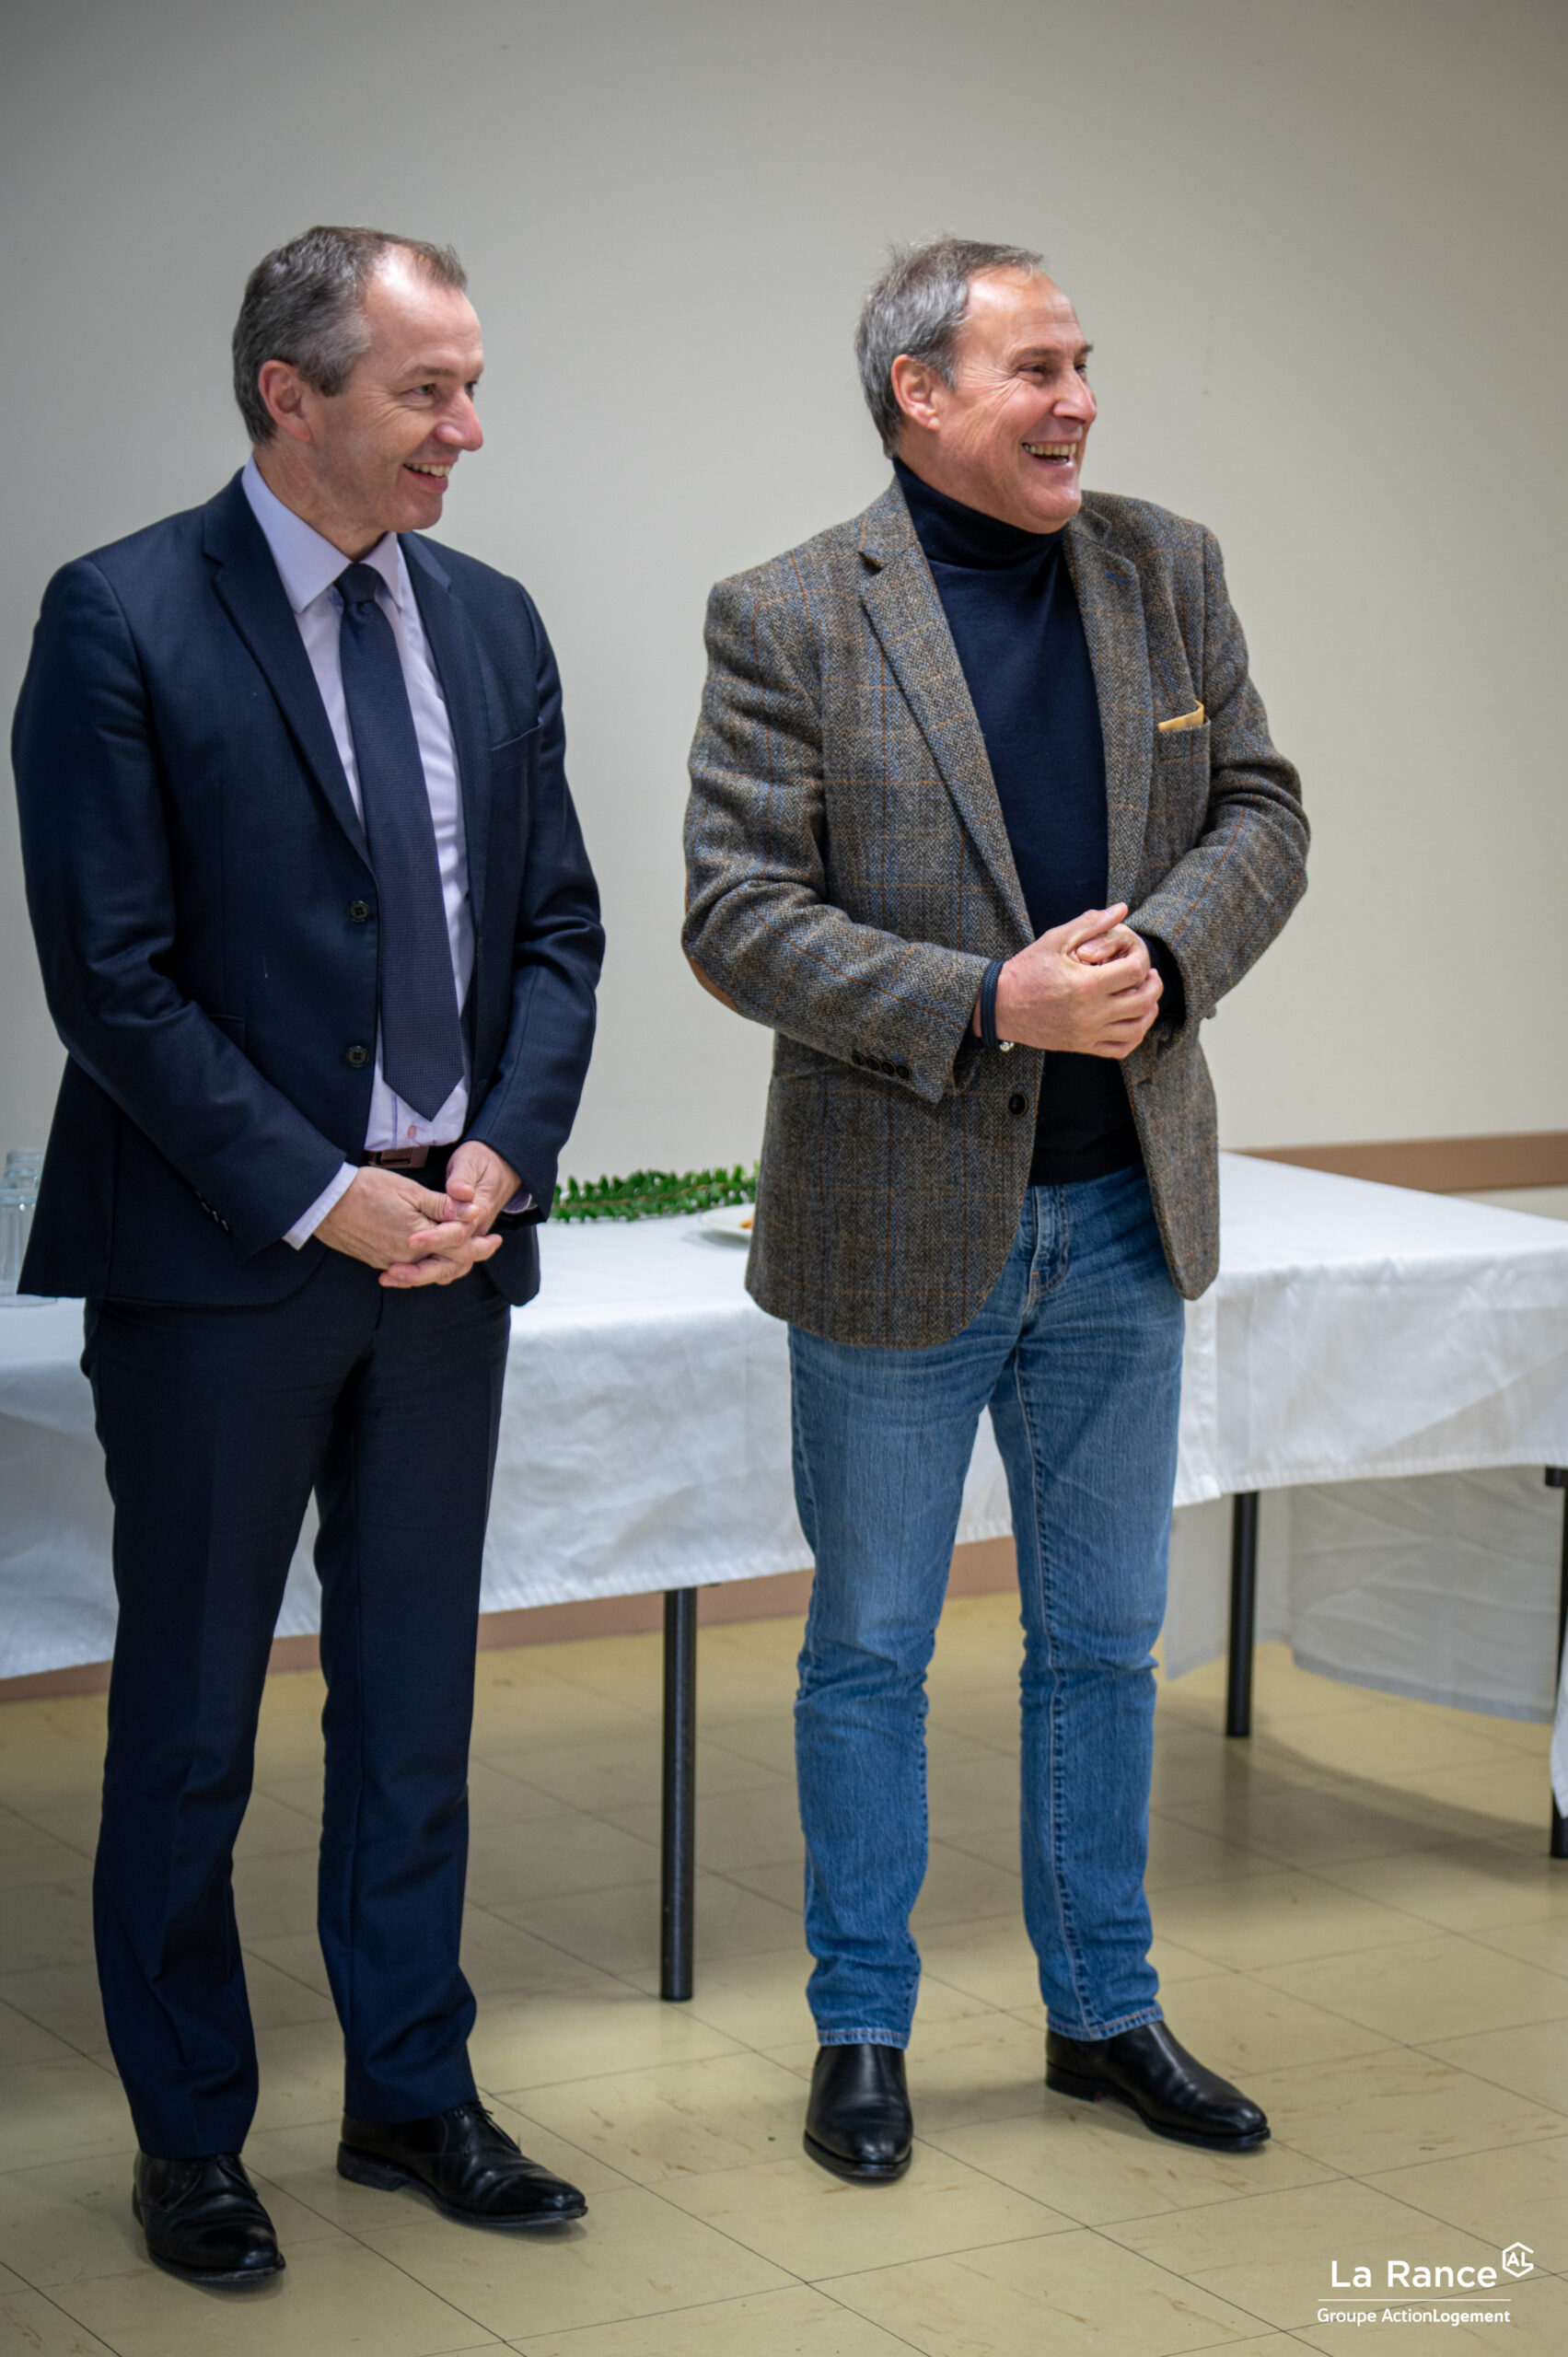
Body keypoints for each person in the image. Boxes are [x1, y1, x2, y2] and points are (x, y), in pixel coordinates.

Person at [12, 226, 604, 2282]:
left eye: (469, 385)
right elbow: (112, 976)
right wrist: (317, 1187)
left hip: (451, 1255)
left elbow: (556, 932)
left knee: (413, 1709)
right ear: (292, 392)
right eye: (428, 390)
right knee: (190, 1728)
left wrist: (506, 1149)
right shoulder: (120, 616)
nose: (467, 428)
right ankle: (190, 2136)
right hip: (224, 1264)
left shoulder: (494, 623)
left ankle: (412, 2094)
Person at [683, 237, 1307, 2182]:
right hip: (892, 1225)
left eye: (1084, 363)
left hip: (1125, 1212)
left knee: (1105, 1645)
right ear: (920, 394)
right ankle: (860, 2027)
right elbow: (736, 915)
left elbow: (1264, 810)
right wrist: (986, 1002)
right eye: (1037, 368)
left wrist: (1167, 958)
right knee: (870, 1646)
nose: (1079, 402)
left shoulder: (1164, 566)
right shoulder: (790, 613)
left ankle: (1101, 2011)